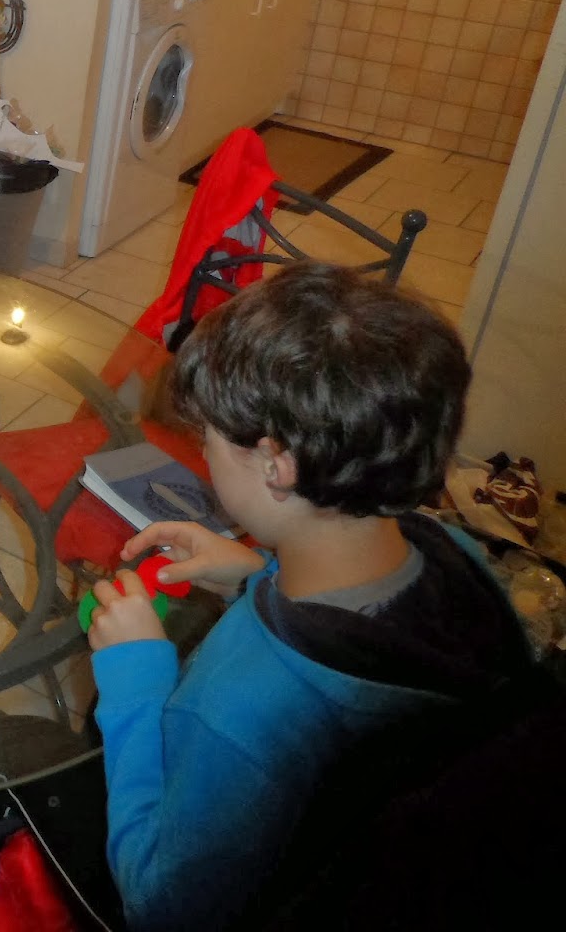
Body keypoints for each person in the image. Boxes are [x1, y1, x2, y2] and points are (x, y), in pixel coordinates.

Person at [84, 261, 535, 930]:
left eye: (208, 441)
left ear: (277, 465)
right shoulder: (449, 551)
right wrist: (257, 572)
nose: (204, 455)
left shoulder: (238, 709)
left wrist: (136, 683)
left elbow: (161, 907)